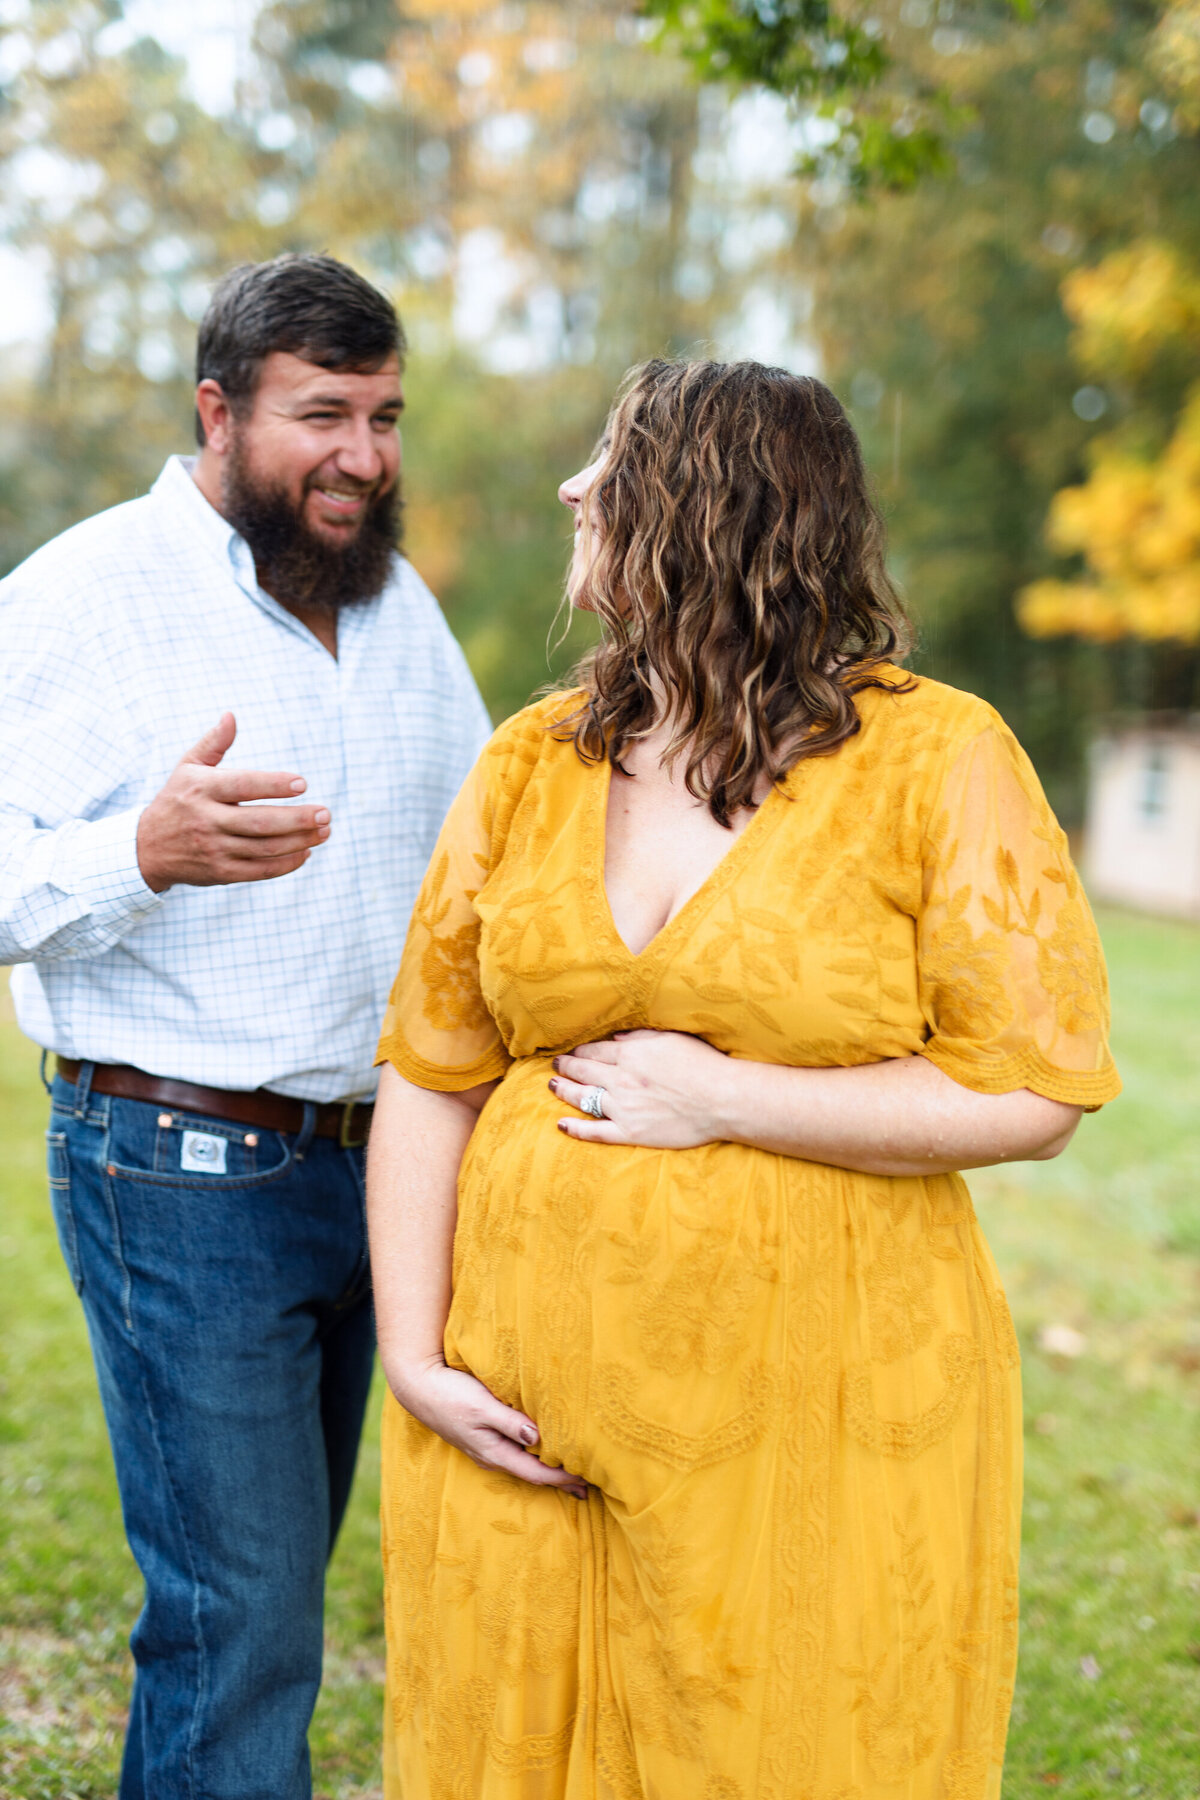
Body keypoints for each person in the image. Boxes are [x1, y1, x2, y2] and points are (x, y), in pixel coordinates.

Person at [365, 359, 1121, 1799]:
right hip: (515, 1425)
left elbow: (1034, 1093)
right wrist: (416, 1352)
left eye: (609, 461)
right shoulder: (532, 761)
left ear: (710, 510)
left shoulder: (937, 758)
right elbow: (431, 1071)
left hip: (812, 1419)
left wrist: (726, 1100)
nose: (575, 488)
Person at [0, 253, 491, 1800]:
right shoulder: (80, 596)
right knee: (246, 1622)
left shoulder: (399, 606)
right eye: (324, 415)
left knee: (255, 1615)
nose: (366, 455)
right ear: (219, 412)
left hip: (386, 1176)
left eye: (388, 417)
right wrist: (138, 851)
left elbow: (483, 859)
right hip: (181, 1169)